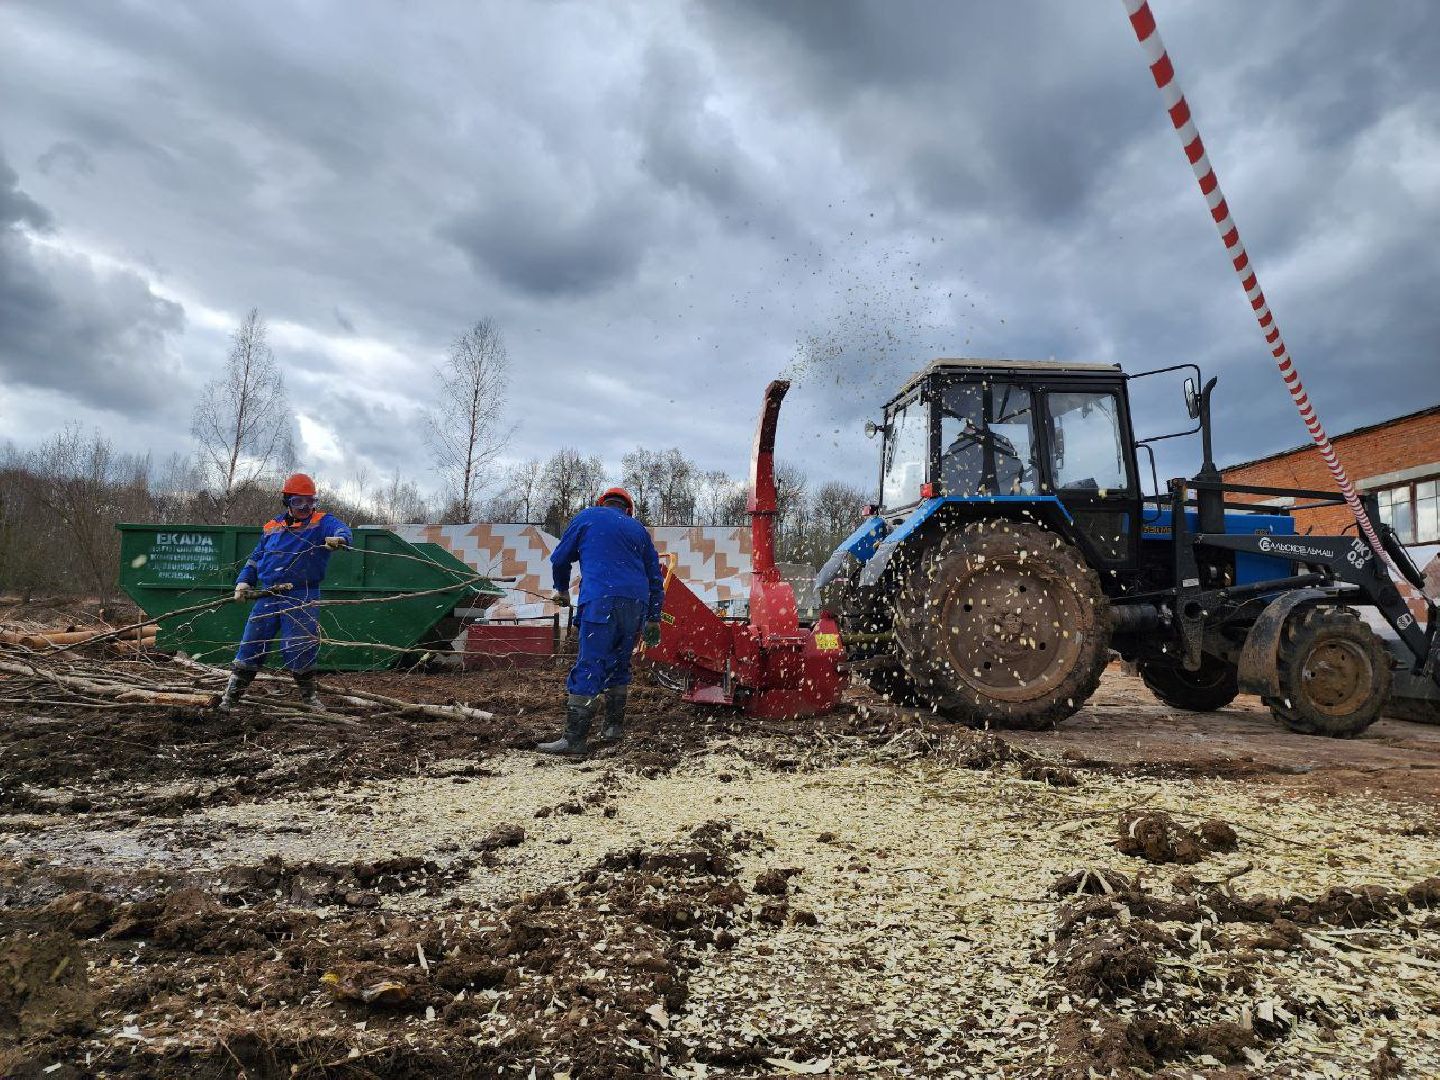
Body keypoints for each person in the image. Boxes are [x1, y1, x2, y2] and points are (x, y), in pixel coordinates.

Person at [538, 486, 665, 755]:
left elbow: (560, 558)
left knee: (591, 662)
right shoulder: (638, 529)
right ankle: (612, 728)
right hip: (635, 605)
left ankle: (574, 740)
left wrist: (561, 589)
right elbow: (655, 577)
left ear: (603, 502)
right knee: (620, 662)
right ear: (627, 508)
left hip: (601, 600)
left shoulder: (588, 517)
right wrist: (653, 618)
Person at [218, 473, 353, 709]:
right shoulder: (272, 527)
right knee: (251, 644)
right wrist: (243, 582)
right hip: (268, 595)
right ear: (287, 501)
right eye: (298, 502)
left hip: (302, 595)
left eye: (309, 502)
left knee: (300, 645)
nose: (304, 507)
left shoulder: (322, 522)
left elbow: (342, 529)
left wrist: (340, 539)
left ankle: (309, 698)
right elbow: (256, 557)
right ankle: (229, 698)